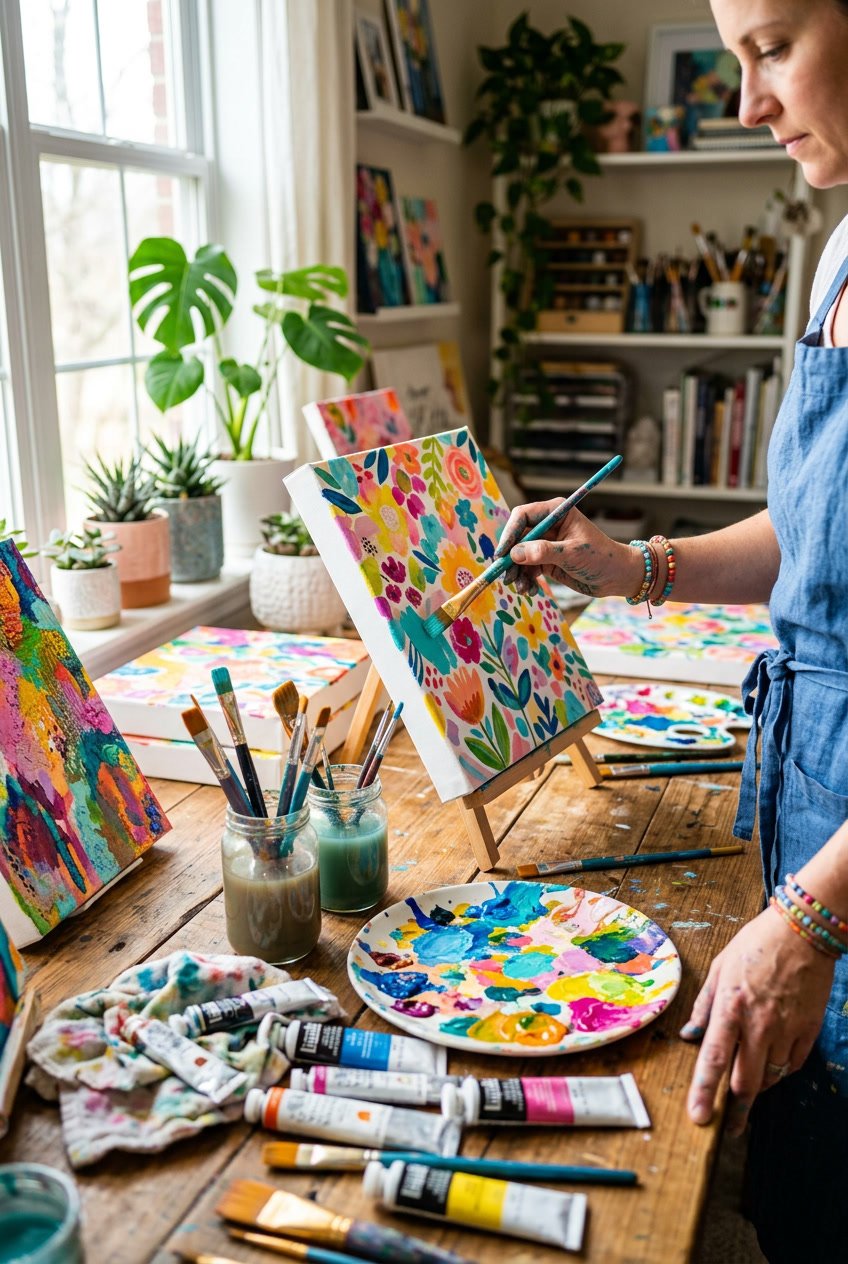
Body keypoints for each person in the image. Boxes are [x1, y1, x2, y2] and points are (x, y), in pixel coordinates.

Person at [495, 3, 848, 1257]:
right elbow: (813, 531)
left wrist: (809, 919)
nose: (745, 103)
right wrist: (631, 565)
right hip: (811, 802)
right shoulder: (838, 249)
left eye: (771, 46)